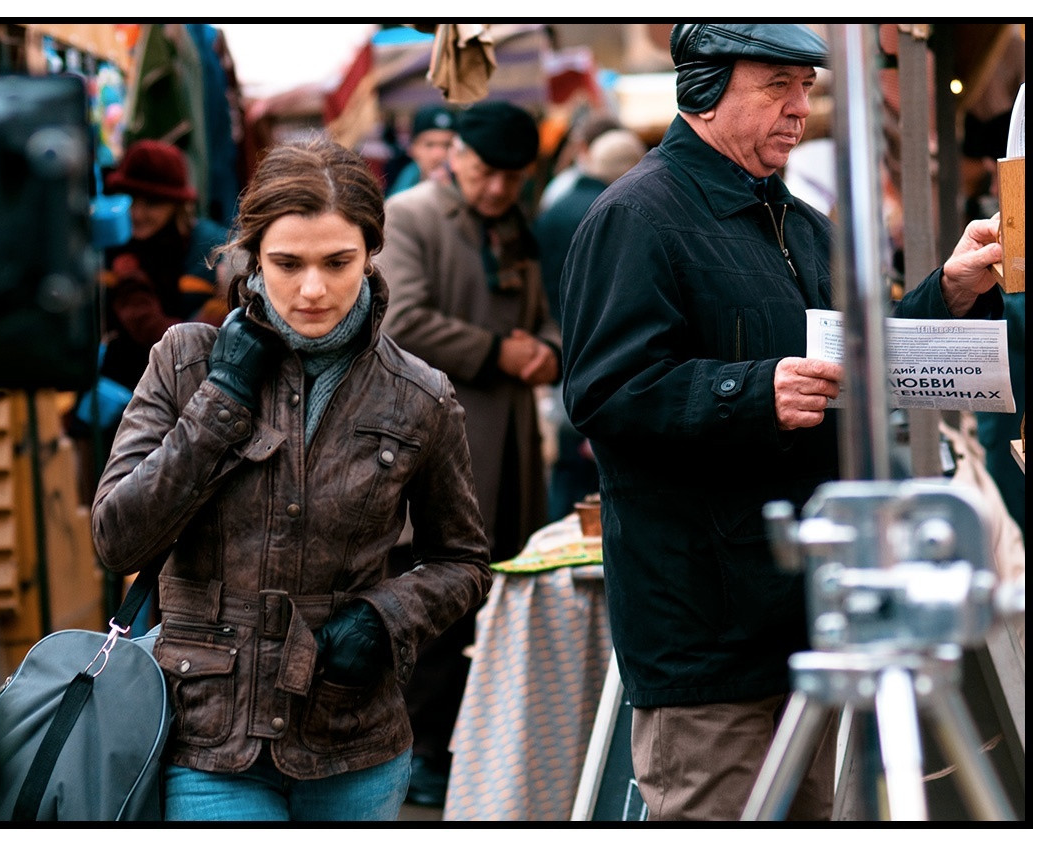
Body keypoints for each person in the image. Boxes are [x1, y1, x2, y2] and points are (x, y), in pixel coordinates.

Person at [558, 23, 1006, 821]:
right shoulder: (635, 216)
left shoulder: (804, 222)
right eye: (777, 85)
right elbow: (604, 392)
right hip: (705, 634)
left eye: (807, 87)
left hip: (806, 619)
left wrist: (950, 291)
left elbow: (857, 357)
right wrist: (752, 392)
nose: (802, 108)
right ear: (703, 88)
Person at [90, 134, 491, 822]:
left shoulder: (418, 395)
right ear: (252, 256)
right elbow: (117, 540)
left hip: (354, 739)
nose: (313, 289)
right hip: (207, 736)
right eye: (287, 263)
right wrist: (220, 401)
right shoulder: (186, 360)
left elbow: (463, 560)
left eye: (338, 262)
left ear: (370, 252)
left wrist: (386, 614)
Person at [380, 99, 560, 805]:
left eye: (511, 180)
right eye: (485, 173)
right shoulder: (412, 214)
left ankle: (475, 747)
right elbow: (402, 316)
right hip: (439, 442)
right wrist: (499, 351)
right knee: (433, 600)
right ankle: (422, 752)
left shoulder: (515, 225)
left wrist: (545, 345)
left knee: (495, 596)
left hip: (511, 440)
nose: (494, 190)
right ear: (456, 155)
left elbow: (539, 313)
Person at [535, 128, 645, 519]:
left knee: (568, 476)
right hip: (605, 360)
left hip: (563, 354)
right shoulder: (618, 211)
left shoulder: (556, 207)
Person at [99, 139, 230, 400]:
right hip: (119, 396)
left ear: (177, 205)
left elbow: (192, 346)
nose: (137, 213)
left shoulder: (212, 250)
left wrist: (130, 284)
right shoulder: (107, 248)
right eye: (130, 200)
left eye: (152, 204)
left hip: (193, 394)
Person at [386, 104, 458, 197]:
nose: (438, 154)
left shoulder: (468, 189)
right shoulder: (401, 188)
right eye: (429, 145)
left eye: (447, 145)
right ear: (413, 149)